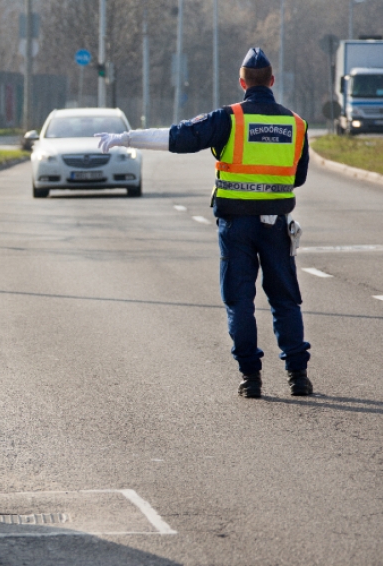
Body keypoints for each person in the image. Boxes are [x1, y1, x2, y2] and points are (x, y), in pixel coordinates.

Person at [95, 47, 312, 398]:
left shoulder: (230, 118)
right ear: (272, 81)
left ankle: (251, 379)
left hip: (236, 227)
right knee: (285, 300)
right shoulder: (297, 124)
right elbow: (297, 178)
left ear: (242, 82)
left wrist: (127, 138)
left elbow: (177, 137)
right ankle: (298, 377)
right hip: (276, 226)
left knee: (239, 301)